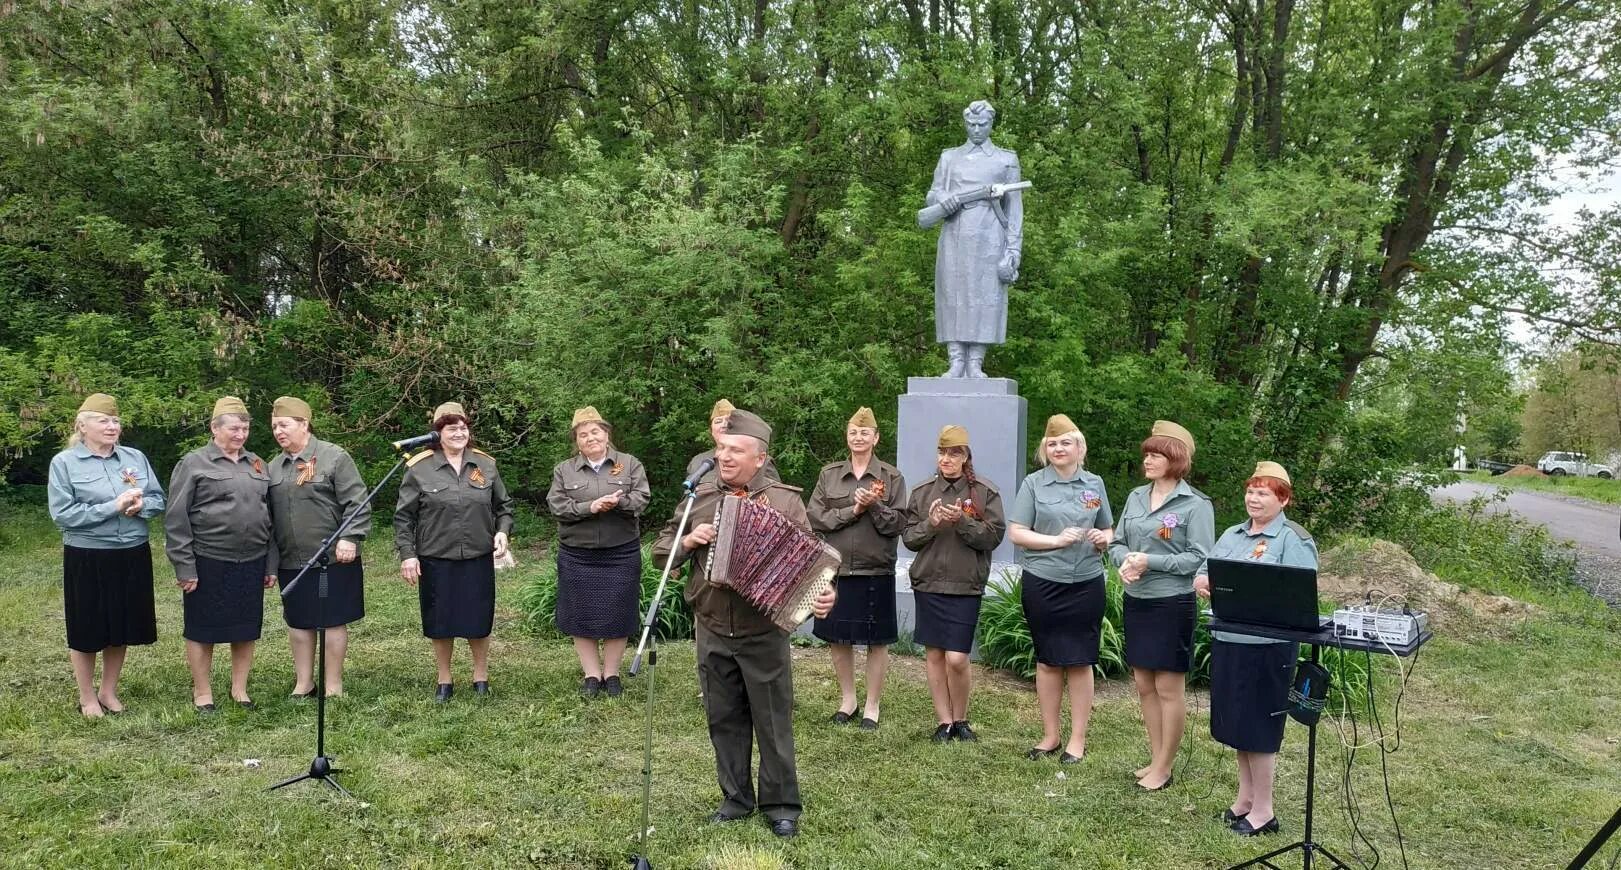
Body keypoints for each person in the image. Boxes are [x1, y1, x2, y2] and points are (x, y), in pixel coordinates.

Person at [652, 409, 836, 839]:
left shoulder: (786, 500)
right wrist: (688, 540)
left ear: (760, 458)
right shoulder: (700, 494)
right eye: (721, 449)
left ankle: (782, 805)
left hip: (763, 630)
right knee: (724, 716)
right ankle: (736, 797)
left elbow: (814, 565)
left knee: (773, 720)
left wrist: (825, 594)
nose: (724, 457)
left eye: (735, 450)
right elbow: (662, 550)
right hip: (712, 622)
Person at [1194, 462, 1316, 837]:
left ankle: (1265, 811)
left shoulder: (1293, 539)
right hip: (1230, 641)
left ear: (1283, 499)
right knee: (1237, 723)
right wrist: (1202, 581)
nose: (1254, 498)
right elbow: (1204, 570)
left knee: (1260, 728)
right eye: (1251, 491)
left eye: (1263, 493)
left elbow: (1301, 595)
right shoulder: (1233, 534)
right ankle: (1244, 800)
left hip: (1269, 649)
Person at [1108, 420, 1215, 790]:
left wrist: (1149, 562)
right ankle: (1155, 759)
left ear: (1176, 459)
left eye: (1156, 455)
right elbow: (1117, 541)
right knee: (1143, 684)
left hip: (1171, 603)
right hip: (1137, 600)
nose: (1148, 461)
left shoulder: (1196, 505)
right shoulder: (1137, 497)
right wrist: (1123, 562)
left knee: (1169, 687)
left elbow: (1199, 559)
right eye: (1147, 454)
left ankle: (1165, 767)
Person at [46, 393, 166, 718]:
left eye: (115, 421)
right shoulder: (65, 463)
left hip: (131, 552)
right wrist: (111, 507)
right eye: (104, 420)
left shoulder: (134, 458)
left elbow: (158, 498)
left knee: (121, 625)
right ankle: (86, 697)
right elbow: (63, 515)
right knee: (87, 627)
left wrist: (143, 507)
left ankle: (108, 691)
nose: (112, 426)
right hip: (88, 555)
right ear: (82, 426)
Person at [1007, 414, 1114, 762]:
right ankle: (1050, 735)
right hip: (1044, 581)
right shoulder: (1034, 484)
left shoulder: (1094, 484)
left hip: (1085, 581)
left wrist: (1103, 539)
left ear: (1079, 447)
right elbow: (1017, 532)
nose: (1058, 448)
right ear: (1045, 450)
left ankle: (1077, 740)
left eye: (1065, 442)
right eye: (1052, 443)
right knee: (1049, 660)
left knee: (1081, 661)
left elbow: (1109, 529)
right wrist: (1054, 540)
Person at [394, 401, 514, 702]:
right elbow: (403, 517)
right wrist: (408, 554)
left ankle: (480, 676)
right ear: (437, 434)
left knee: (479, 618)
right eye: (451, 427)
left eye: (463, 426)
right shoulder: (419, 468)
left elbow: (504, 508)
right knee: (440, 620)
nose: (459, 432)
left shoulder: (485, 465)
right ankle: (444, 678)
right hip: (436, 556)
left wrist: (502, 532)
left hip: (477, 555)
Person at [165, 396, 277, 712]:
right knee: (203, 628)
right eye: (233, 428)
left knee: (245, 627)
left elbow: (269, 516)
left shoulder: (257, 463)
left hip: (252, 560)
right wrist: (184, 566)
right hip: (209, 558)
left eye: (245, 428)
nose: (240, 435)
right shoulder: (194, 463)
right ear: (215, 429)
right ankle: (203, 693)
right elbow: (176, 517)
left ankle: (239, 690)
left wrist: (270, 563)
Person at [901, 424, 1006, 742]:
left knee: (957, 658)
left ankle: (961, 719)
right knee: (934, 655)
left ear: (966, 457)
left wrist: (962, 521)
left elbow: (993, 538)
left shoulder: (984, 492)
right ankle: (944, 721)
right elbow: (908, 538)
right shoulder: (921, 492)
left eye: (954, 453)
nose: (946, 459)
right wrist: (932, 524)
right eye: (942, 452)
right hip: (929, 583)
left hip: (965, 584)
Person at [807, 406, 908, 729]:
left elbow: (899, 523)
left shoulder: (891, 477)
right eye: (853, 432)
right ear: (847, 437)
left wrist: (874, 506)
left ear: (876, 438)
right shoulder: (830, 474)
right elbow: (816, 517)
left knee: (876, 640)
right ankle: (848, 699)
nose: (859, 437)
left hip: (875, 568)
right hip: (836, 568)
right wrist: (853, 509)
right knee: (839, 637)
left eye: (865, 432)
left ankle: (872, 706)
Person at [266, 396, 368, 698]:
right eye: (274, 427)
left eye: (284, 425)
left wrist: (350, 537)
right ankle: (304, 682)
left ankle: (333, 685)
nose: (278, 431)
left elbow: (357, 501)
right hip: (291, 559)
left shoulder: (333, 457)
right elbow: (268, 520)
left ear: (304, 424)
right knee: (299, 622)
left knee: (333, 621)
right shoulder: (273, 467)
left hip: (332, 558)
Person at [546, 406, 651, 698]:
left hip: (620, 552)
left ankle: (612, 673)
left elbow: (642, 498)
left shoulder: (629, 464)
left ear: (606, 434)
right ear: (576, 441)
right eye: (583, 434)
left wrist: (619, 502)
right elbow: (556, 506)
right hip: (578, 554)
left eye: (595, 431)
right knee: (581, 614)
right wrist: (588, 507)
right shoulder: (564, 470)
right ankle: (592, 674)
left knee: (619, 611)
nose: (590, 437)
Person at [919, 99, 1024, 378]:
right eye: (971, 124)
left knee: (984, 296)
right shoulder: (949, 157)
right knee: (952, 293)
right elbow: (932, 195)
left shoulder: (1006, 159)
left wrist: (1013, 250)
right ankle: (955, 360)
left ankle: (975, 361)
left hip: (990, 235)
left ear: (991, 125)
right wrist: (944, 198)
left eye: (982, 124)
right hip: (954, 233)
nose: (976, 129)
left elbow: (1015, 211)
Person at [685, 398, 779, 486]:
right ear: (711, 430)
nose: (723, 425)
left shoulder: (759, 460)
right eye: (718, 421)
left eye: (728, 420)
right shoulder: (697, 461)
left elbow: (774, 495)